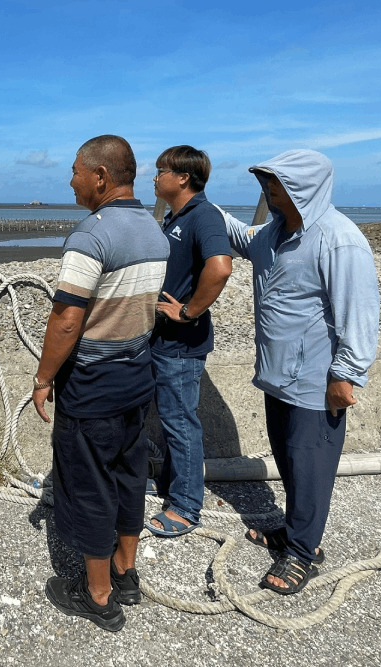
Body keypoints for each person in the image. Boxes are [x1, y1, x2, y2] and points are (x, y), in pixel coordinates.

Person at [222, 149, 379, 594]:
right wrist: (197, 201)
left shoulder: (338, 238)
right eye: (268, 182)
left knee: (310, 466)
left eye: (278, 184)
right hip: (276, 376)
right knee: (289, 459)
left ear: (304, 188)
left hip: (315, 381)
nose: (270, 191)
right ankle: (293, 531)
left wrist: (346, 374)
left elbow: (360, 312)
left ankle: (302, 552)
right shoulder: (271, 233)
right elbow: (237, 235)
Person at [33, 136, 169, 632]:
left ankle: (97, 595)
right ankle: (125, 572)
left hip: (92, 386)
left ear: (100, 177)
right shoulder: (154, 232)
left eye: (74, 171)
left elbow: (67, 319)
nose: (70, 180)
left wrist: (44, 377)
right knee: (130, 477)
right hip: (137, 378)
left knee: (88, 484)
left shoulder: (91, 236)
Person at [146, 146, 233, 537]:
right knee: (169, 417)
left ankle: (185, 506)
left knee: (181, 422)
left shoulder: (203, 216)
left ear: (182, 178)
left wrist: (187, 312)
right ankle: (169, 486)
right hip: (163, 341)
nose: (154, 176)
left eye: (161, 170)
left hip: (182, 344)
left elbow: (220, 267)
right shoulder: (174, 217)